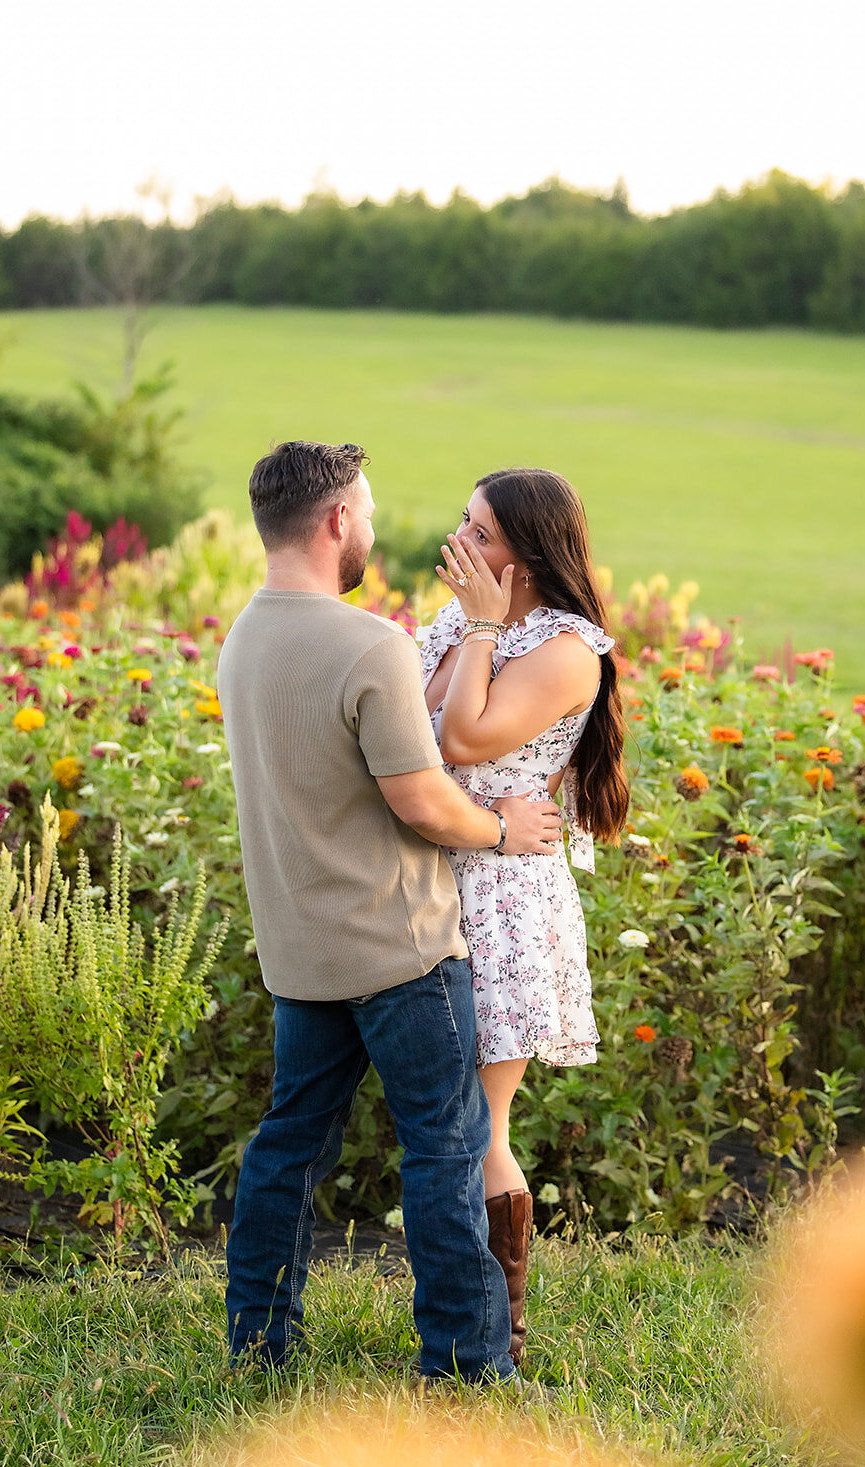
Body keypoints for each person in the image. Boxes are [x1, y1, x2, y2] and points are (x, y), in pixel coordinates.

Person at [216, 440, 564, 1385]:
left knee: (288, 1146)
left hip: (301, 948)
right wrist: (501, 830)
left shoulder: (242, 638)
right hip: (401, 947)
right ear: (335, 522)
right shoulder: (366, 644)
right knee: (445, 1151)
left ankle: (259, 1343)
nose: (371, 528)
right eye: (364, 512)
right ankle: (462, 1364)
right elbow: (421, 798)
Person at [420, 467, 630, 1366]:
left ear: (531, 554)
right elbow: (402, 716)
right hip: (430, 870)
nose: (461, 544)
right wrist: (466, 627)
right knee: (437, 1110)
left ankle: (492, 1333)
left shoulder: (564, 649)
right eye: (462, 524)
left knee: (477, 1122)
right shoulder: (459, 623)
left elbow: (460, 738)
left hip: (503, 893)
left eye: (483, 533)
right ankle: (465, 1319)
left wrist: (477, 627)